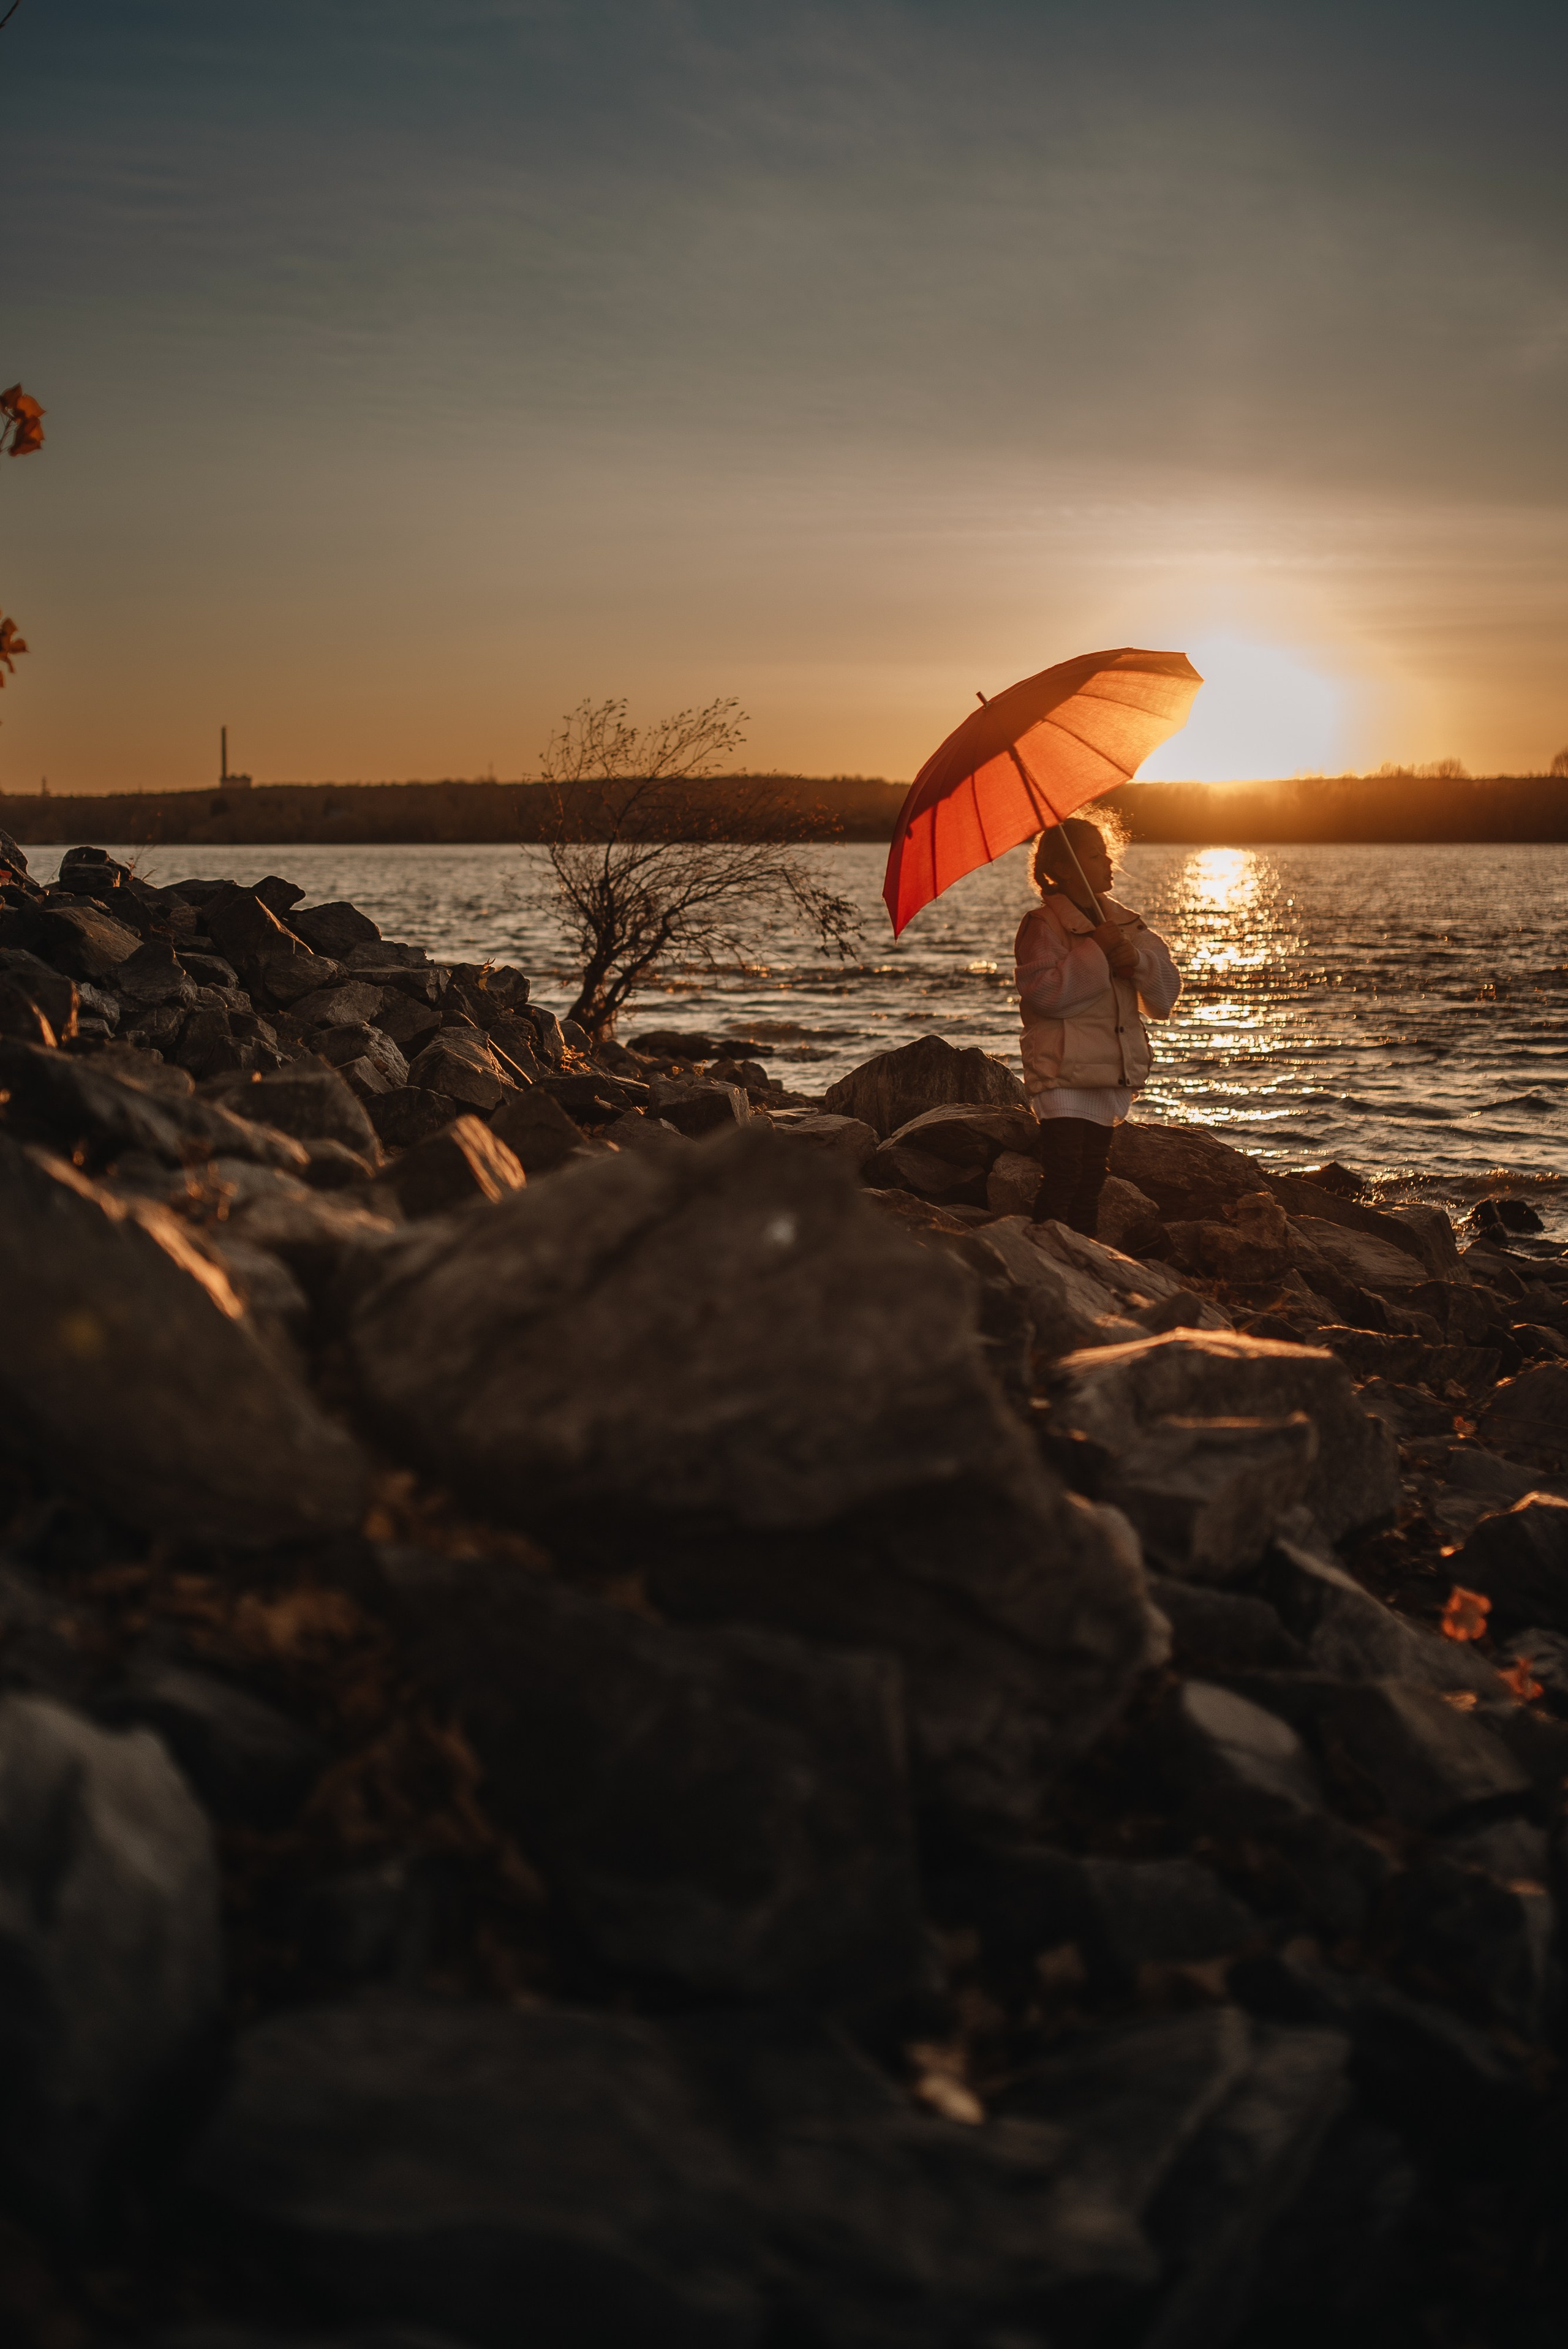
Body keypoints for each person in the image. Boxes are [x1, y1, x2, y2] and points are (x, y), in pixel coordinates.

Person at [1013, 815, 1181, 1235]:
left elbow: (1164, 997)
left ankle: (1083, 1265)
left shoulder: (1124, 922)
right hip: (1063, 1070)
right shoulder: (1042, 925)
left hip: (1109, 1068)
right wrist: (1097, 953)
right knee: (1064, 1173)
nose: (1110, 862)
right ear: (1064, 867)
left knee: (1091, 1180)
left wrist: (1136, 961)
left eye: (1108, 853)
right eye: (1095, 855)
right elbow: (1045, 995)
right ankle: (1045, 1260)